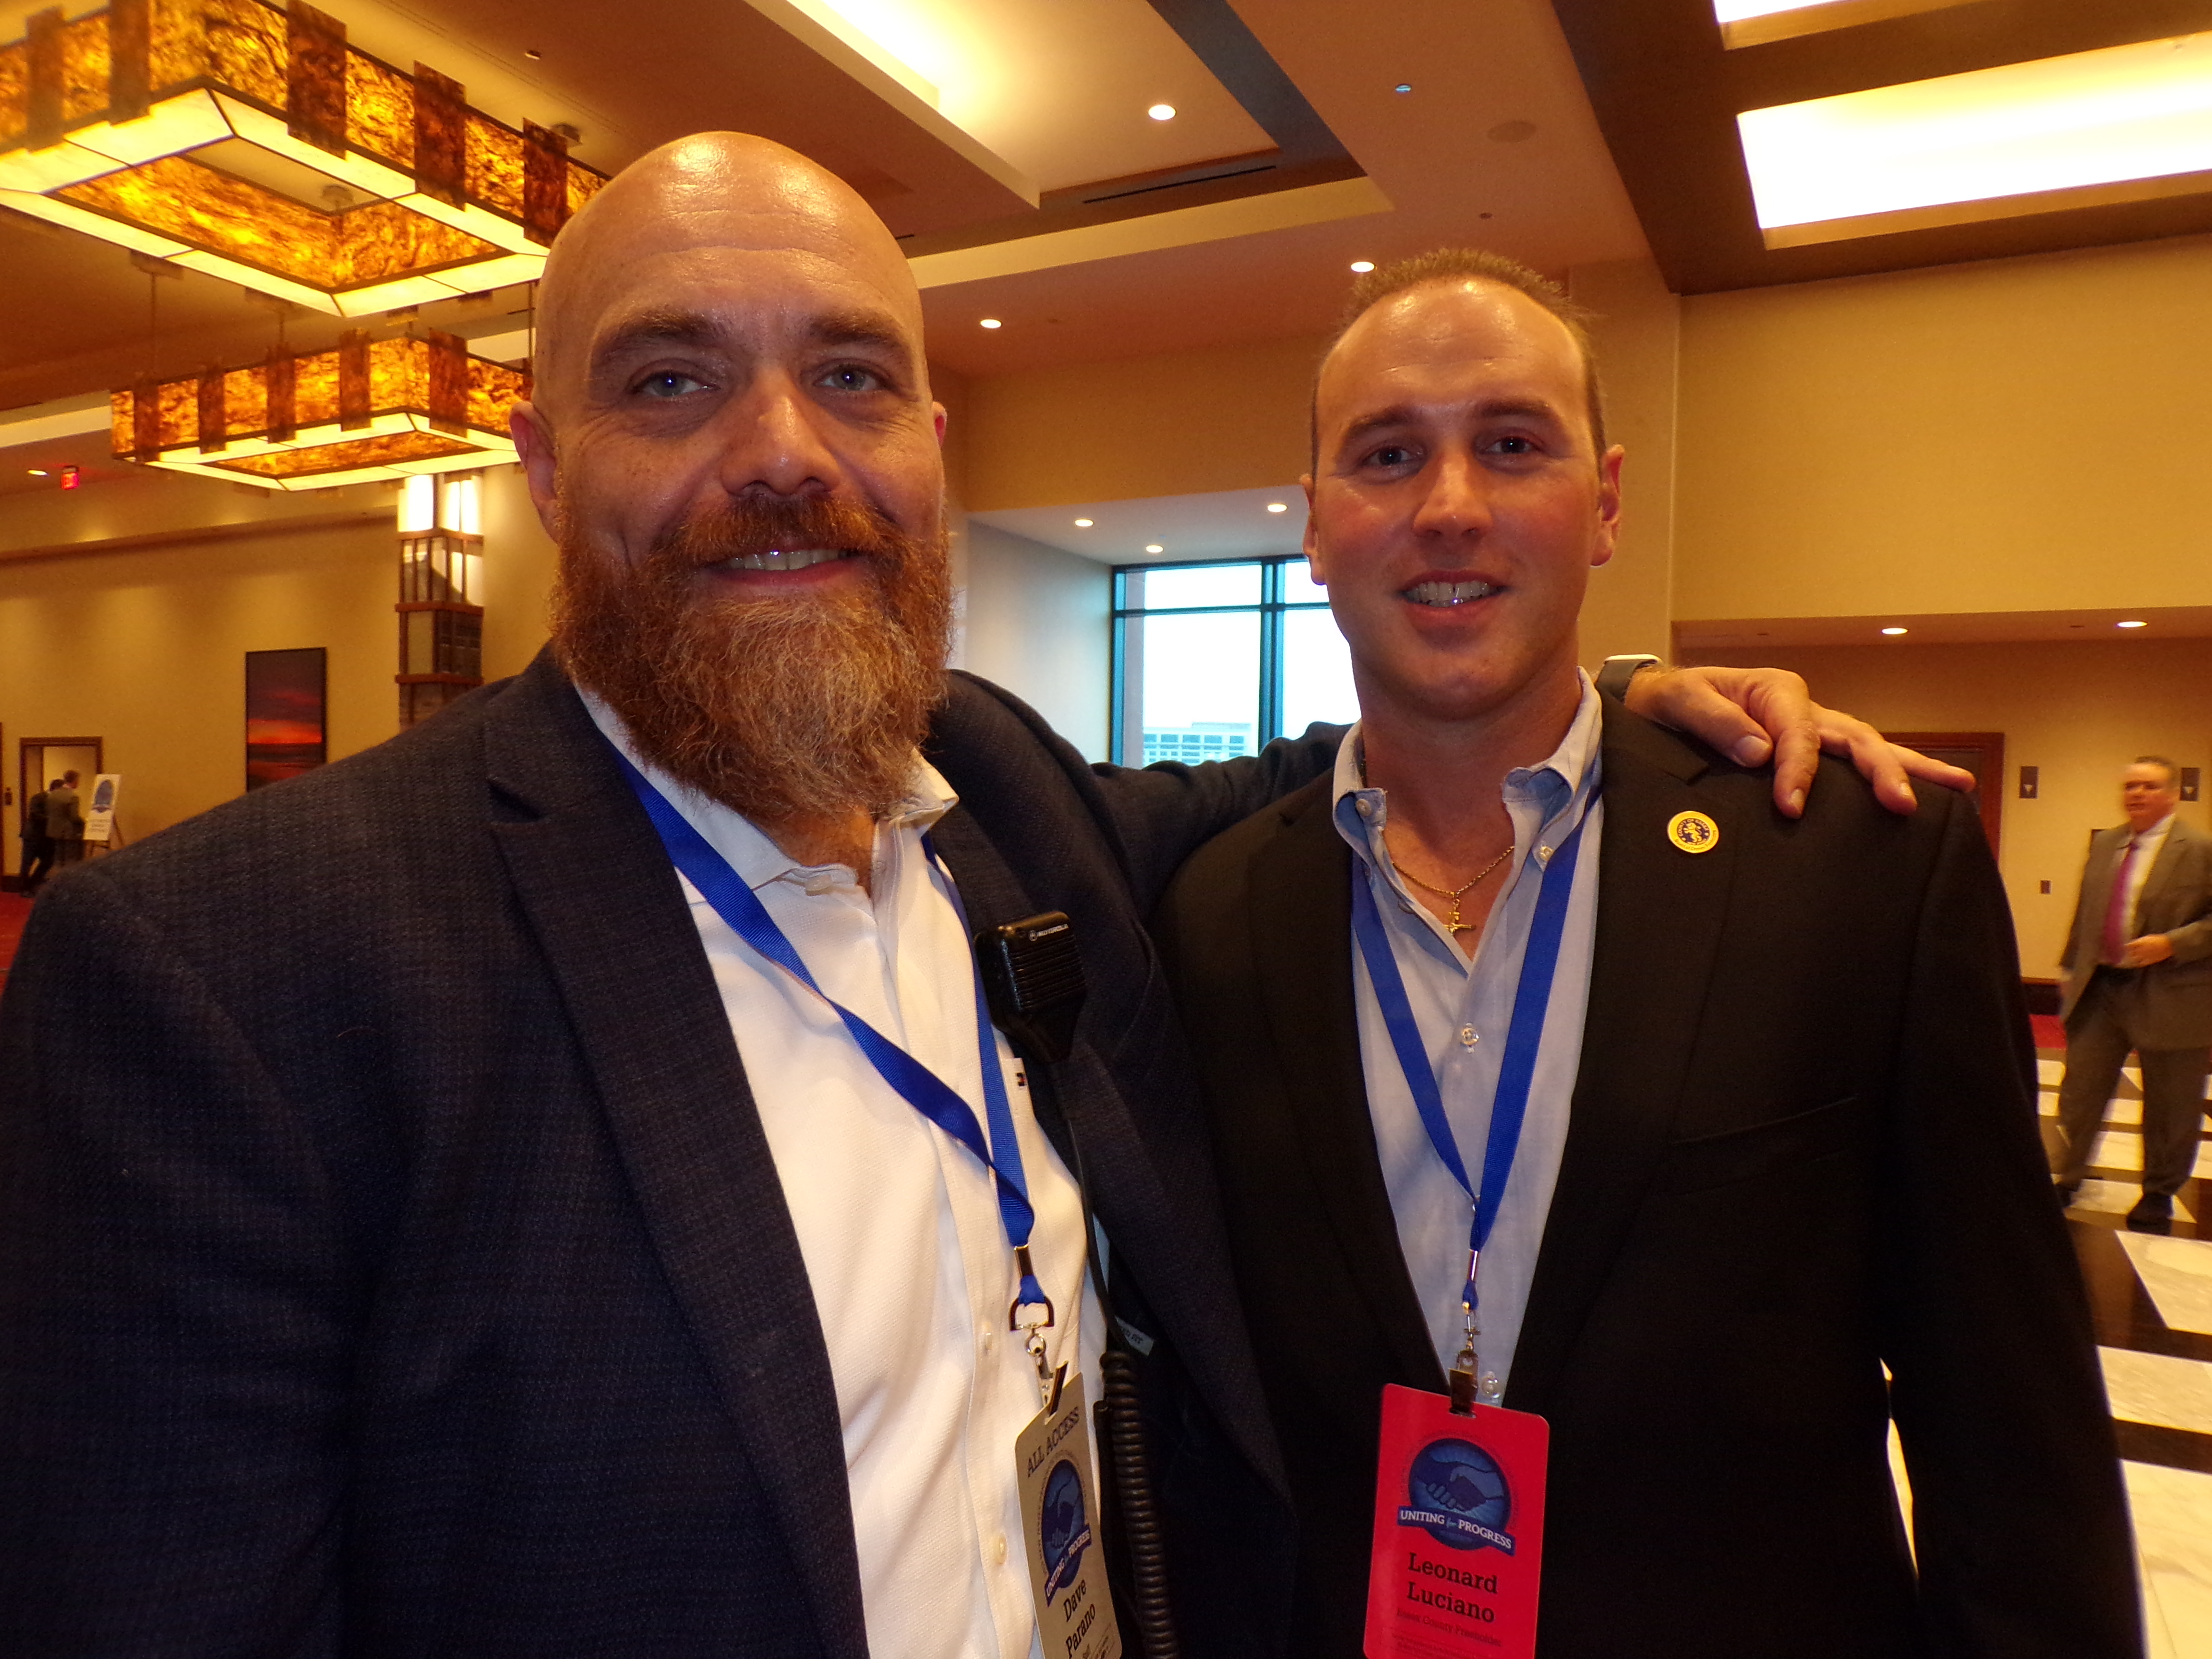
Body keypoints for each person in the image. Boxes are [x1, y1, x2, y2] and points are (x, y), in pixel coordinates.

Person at [0, 141, 1958, 1657]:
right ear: (540, 463)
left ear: (932, 449)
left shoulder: (1005, 798)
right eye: (671, 381)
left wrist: (1620, 701)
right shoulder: (234, 981)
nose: (783, 456)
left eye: (851, 376)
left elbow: (1337, 773)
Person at [1155, 251, 2137, 1658]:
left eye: (1513, 444)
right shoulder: (1213, 914)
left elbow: (2010, 1426)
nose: (1450, 505)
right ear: (1315, 523)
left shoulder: (1851, 863)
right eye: (1387, 454)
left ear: (1606, 501)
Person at [2051, 756, 2212, 1235]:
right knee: (2080, 1091)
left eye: (2149, 786)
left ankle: (2158, 1193)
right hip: (2102, 988)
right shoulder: (2106, 843)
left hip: (2172, 992)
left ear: (2174, 795)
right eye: (2130, 786)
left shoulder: (2200, 849)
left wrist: (2174, 944)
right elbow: (2087, 911)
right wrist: (2071, 966)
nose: (2137, 794)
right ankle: (2069, 1176)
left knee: (2172, 1103)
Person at [42, 769, 83, 871]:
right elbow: (74, 817)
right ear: (75, 781)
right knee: (70, 859)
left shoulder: (52, 795)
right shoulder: (73, 797)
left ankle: (56, 877)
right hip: (69, 832)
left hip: (54, 831)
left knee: (57, 859)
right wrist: (84, 823)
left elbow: (48, 811)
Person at [19, 778, 54, 892]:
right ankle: (24, 889)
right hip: (32, 836)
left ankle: (33, 884)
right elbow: (35, 814)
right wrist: (51, 820)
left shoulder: (53, 800)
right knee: (27, 863)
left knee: (48, 861)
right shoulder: (39, 797)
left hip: (46, 837)